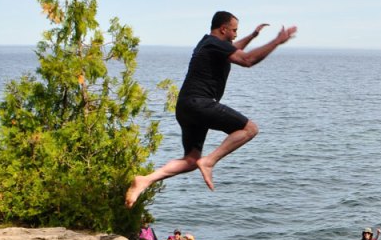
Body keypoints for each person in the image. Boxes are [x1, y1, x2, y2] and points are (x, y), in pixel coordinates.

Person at [125, 11, 298, 208]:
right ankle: (209, 162)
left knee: (191, 160)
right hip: (200, 103)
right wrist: (277, 41)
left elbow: (232, 48)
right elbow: (247, 60)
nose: (234, 35)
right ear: (223, 29)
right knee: (250, 129)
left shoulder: (208, 43)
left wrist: (251, 36)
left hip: (186, 107)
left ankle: (145, 180)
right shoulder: (214, 45)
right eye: (233, 31)